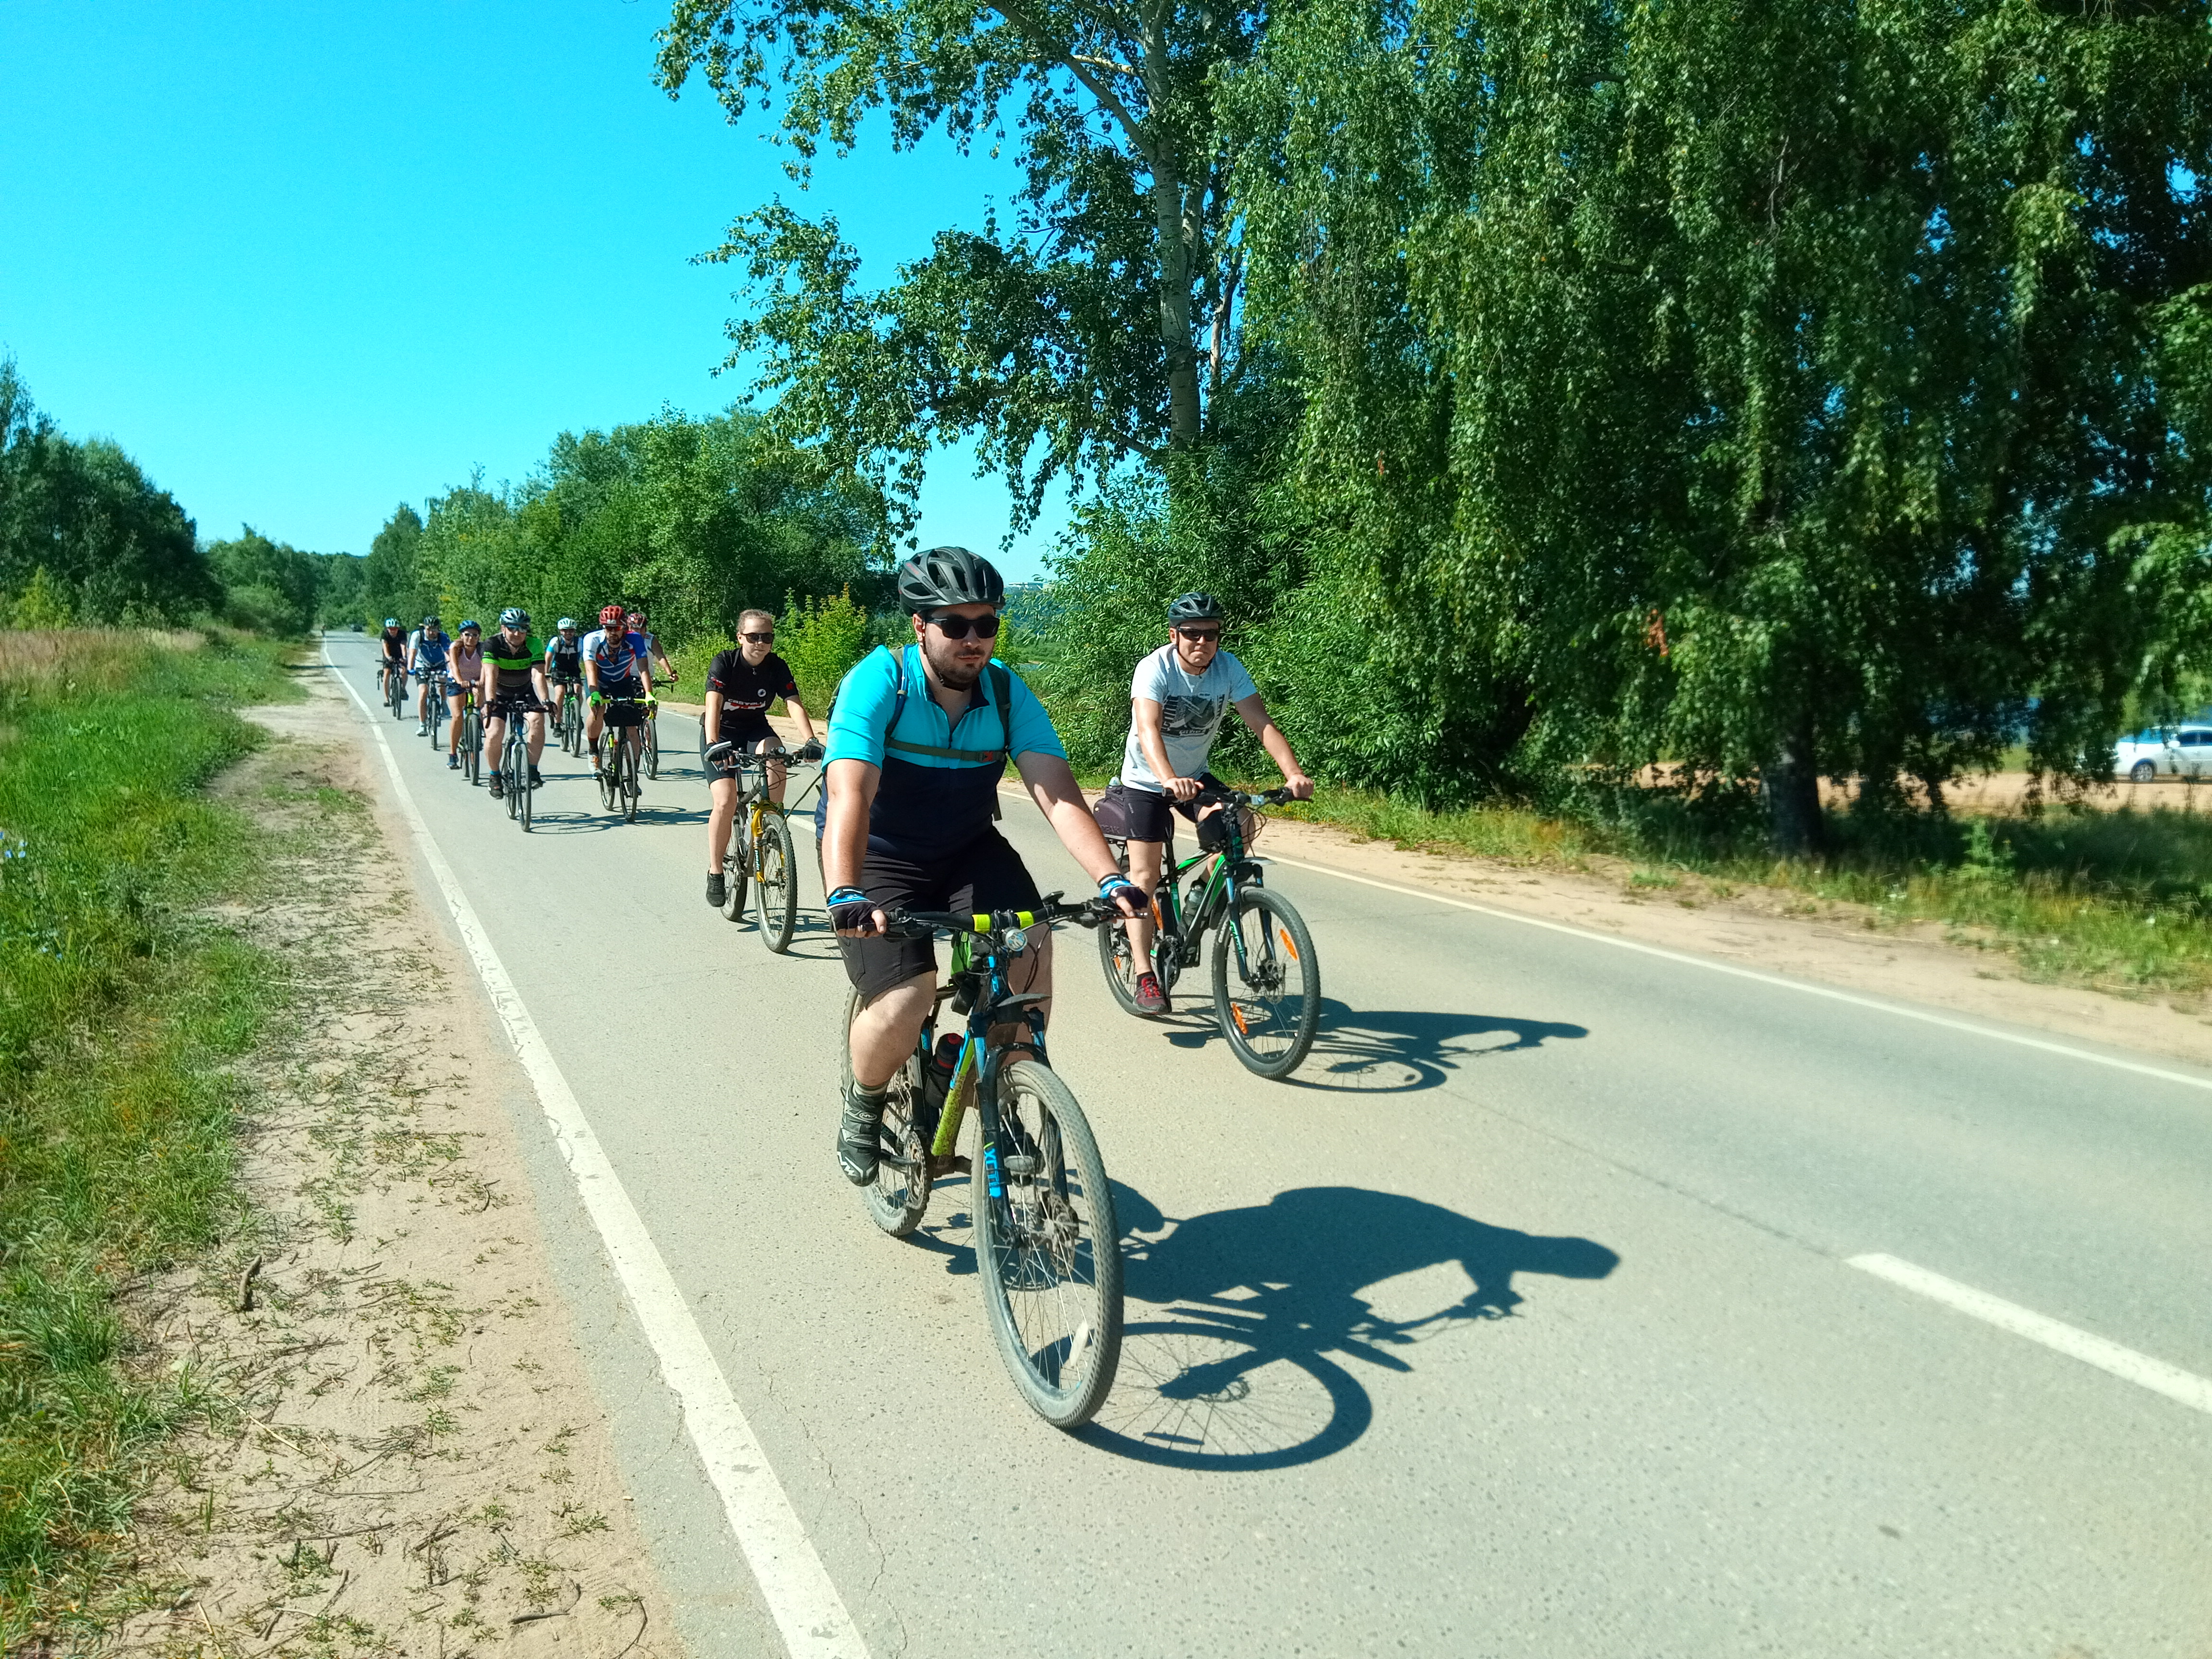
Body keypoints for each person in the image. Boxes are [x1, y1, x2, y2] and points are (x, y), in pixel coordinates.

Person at [822, 546, 1145, 1184]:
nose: (974, 639)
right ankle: (863, 1106)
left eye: (987, 624)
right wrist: (845, 892)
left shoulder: (1003, 692)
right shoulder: (880, 681)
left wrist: (1111, 878)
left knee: (1028, 954)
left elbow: (1059, 795)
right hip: (881, 854)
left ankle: (1003, 1094)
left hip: (968, 848)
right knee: (907, 998)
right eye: (956, 625)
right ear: (920, 626)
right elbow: (849, 795)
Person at [1096, 591, 1315, 1014]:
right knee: (1144, 877)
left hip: (1194, 776)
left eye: (1210, 634)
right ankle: (1145, 975)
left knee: (1240, 824)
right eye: (1192, 633)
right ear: (1174, 635)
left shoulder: (1228, 668)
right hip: (1146, 781)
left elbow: (1261, 723)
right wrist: (1166, 779)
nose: (1201, 642)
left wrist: (1293, 774)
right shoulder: (1154, 668)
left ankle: (1199, 896)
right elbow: (1148, 728)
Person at [702, 608, 822, 907]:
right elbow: (713, 705)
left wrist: (810, 739)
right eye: (754, 636)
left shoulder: (776, 666)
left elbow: (793, 703)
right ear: (740, 637)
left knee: (777, 757)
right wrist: (714, 743)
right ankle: (716, 871)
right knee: (726, 801)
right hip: (722, 732)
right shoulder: (725, 662)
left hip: (756, 728)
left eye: (767, 637)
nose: (760, 643)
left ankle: (772, 824)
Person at [580, 603, 655, 786]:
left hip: (623, 681)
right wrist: (594, 694)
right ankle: (593, 751)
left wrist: (649, 694)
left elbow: (643, 669)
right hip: (599, 681)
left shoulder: (635, 639)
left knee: (632, 727)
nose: (612, 632)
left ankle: (632, 776)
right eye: (608, 628)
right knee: (598, 709)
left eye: (617, 628)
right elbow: (590, 670)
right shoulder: (593, 640)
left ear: (625, 627)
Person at [481, 609, 551, 800]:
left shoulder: (534, 644)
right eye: (512, 628)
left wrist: (546, 700)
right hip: (498, 693)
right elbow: (491, 674)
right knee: (494, 733)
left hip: (524, 692)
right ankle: (494, 776)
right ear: (503, 628)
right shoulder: (493, 643)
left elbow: (538, 674)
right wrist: (490, 701)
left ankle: (532, 770)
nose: (518, 633)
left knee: (538, 720)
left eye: (523, 629)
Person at [445, 620, 483, 772]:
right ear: (462, 636)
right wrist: (460, 681)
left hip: (476, 682)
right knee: (458, 715)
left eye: (475, 635)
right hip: (457, 682)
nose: (471, 638)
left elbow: (487, 668)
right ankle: (453, 754)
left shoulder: (482, 649)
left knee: (482, 706)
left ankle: (477, 728)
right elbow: (454, 667)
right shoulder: (456, 647)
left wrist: (482, 681)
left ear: (479, 637)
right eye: (467, 635)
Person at [407, 615, 451, 734]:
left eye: (435, 629)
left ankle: (444, 703)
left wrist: (452, 670)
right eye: (429, 629)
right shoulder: (418, 636)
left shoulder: (443, 637)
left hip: (440, 663)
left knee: (443, 682)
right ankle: (422, 725)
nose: (432, 632)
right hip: (422, 665)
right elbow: (412, 654)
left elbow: (449, 654)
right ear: (425, 628)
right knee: (423, 692)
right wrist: (410, 668)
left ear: (439, 629)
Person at [543, 618, 583, 729]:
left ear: (574, 631)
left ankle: (577, 714)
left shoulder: (579, 642)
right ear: (561, 631)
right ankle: (558, 722)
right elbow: (548, 657)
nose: (568, 633)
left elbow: (586, 656)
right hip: (558, 670)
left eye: (571, 630)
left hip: (574, 669)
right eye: (565, 631)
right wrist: (546, 672)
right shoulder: (556, 641)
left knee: (578, 689)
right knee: (560, 693)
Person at [377, 618, 407, 698]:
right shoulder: (385, 634)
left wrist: (404, 657)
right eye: (391, 629)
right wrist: (389, 657)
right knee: (387, 673)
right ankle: (386, 698)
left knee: (404, 671)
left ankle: (403, 689)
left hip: (399, 654)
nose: (393, 631)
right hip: (388, 655)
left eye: (395, 629)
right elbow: (385, 646)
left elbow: (403, 646)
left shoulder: (402, 634)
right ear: (387, 629)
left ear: (398, 629)